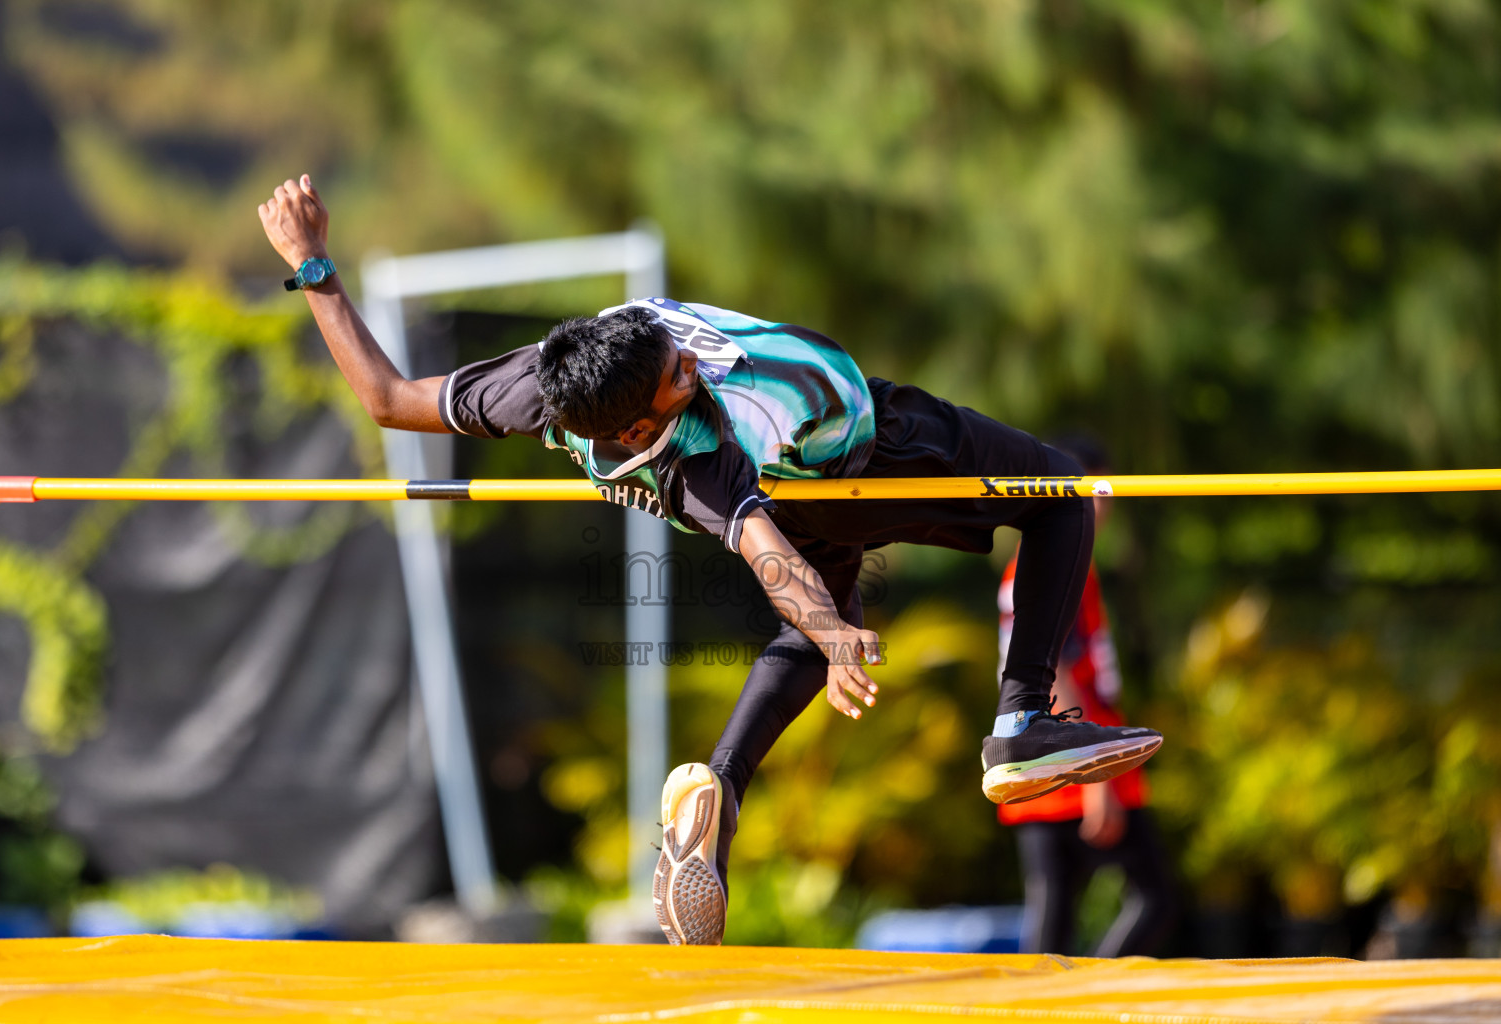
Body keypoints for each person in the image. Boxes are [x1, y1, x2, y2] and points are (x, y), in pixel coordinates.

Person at [258, 175, 1163, 946]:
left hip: (794, 479)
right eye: (678, 375)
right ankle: (1020, 721)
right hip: (866, 446)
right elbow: (769, 552)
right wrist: (837, 633)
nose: (689, 362)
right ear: (642, 426)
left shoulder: (551, 379)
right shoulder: (707, 448)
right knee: (1060, 494)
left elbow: (385, 398)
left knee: (810, 626)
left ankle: (718, 791)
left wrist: (312, 264)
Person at [997, 438, 1177, 957]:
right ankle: (1087, 1003)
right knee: (1150, 900)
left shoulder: (1056, 561)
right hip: (1069, 760)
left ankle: (1069, 1007)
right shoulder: (1055, 562)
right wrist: (1095, 772)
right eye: (1095, 490)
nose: (1105, 504)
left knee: (1057, 916)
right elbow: (1046, 672)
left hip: (1053, 759)